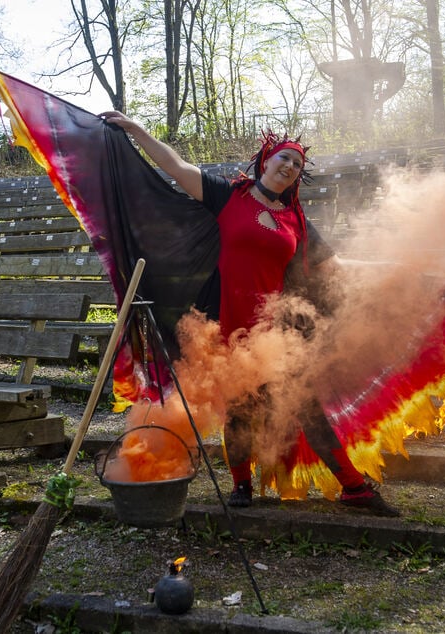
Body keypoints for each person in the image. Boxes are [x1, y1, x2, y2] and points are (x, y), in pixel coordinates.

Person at [100, 111, 400, 517]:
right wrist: (136, 130)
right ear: (266, 161)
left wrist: (400, 271)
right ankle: (241, 483)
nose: (290, 167)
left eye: (297, 165)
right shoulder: (230, 197)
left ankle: (353, 488)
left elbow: (334, 269)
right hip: (225, 322)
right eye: (284, 159)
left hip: (276, 332)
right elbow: (176, 167)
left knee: (305, 407)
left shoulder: (296, 221)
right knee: (239, 410)